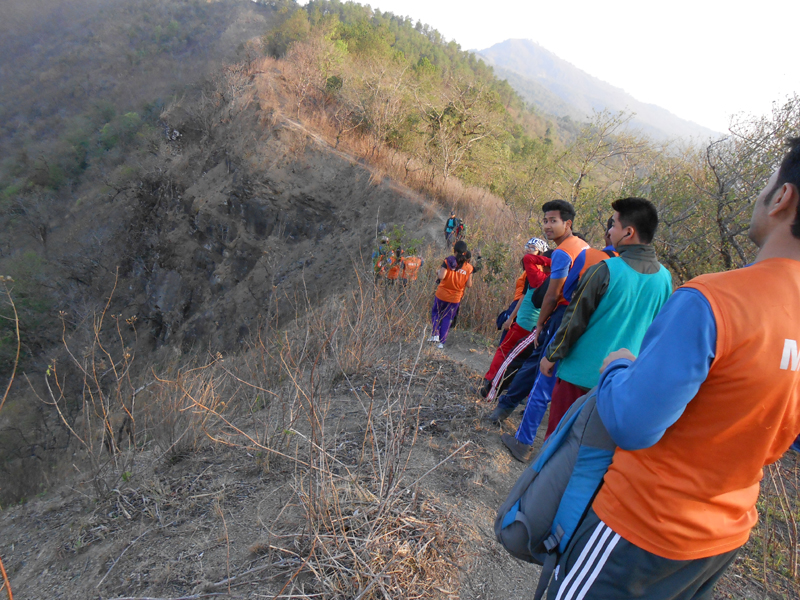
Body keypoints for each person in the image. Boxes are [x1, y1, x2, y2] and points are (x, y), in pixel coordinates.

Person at [542, 138, 800, 600]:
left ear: (783, 198)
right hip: (720, 540)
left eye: (767, 183)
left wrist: (619, 370)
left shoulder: (715, 300)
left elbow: (633, 423)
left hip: (642, 526)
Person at [538, 198, 672, 440]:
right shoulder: (665, 278)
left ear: (628, 232)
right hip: (619, 382)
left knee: (557, 442)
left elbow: (574, 319)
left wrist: (551, 354)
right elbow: (658, 332)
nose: (610, 231)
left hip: (578, 376)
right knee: (590, 448)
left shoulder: (604, 270)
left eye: (614, 226)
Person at [486, 201, 589, 424]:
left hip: (559, 315)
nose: (547, 226)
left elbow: (552, 294)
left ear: (567, 223)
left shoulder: (562, 252)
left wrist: (541, 323)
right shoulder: (585, 246)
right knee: (549, 372)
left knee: (533, 363)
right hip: (581, 317)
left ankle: (501, 406)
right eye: (545, 221)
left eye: (553, 221)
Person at [479, 238, 551, 398]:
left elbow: (524, 296)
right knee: (520, 357)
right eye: (527, 246)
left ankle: (491, 382)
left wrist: (512, 316)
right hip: (534, 323)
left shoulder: (535, 273)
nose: (528, 250)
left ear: (540, 253)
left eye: (532, 247)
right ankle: (504, 385)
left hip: (524, 317)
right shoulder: (553, 279)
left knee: (505, 350)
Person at [430, 241, 473, 349]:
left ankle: (435, 334)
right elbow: (469, 285)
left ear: (454, 250)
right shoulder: (469, 268)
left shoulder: (448, 261)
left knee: (436, 313)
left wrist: (438, 272)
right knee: (447, 318)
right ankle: (441, 343)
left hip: (442, 294)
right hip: (455, 298)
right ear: (465, 252)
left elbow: (441, 276)